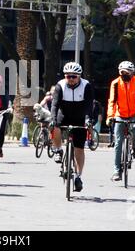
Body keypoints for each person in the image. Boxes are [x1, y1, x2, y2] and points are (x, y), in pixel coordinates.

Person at [50, 62, 94, 192]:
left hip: (80, 117)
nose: (71, 79)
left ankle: (78, 176)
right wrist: (53, 119)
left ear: (79, 76)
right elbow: (54, 105)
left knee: (79, 149)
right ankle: (58, 150)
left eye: (74, 76)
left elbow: (89, 105)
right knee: (55, 126)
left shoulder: (86, 86)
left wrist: (88, 119)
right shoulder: (60, 85)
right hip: (64, 115)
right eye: (68, 76)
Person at [106, 61, 135, 181]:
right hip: (120, 114)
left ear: (132, 73)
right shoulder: (115, 83)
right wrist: (110, 116)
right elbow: (112, 101)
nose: (125, 74)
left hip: (134, 114)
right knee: (118, 142)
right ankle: (116, 171)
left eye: (127, 72)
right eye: (122, 72)